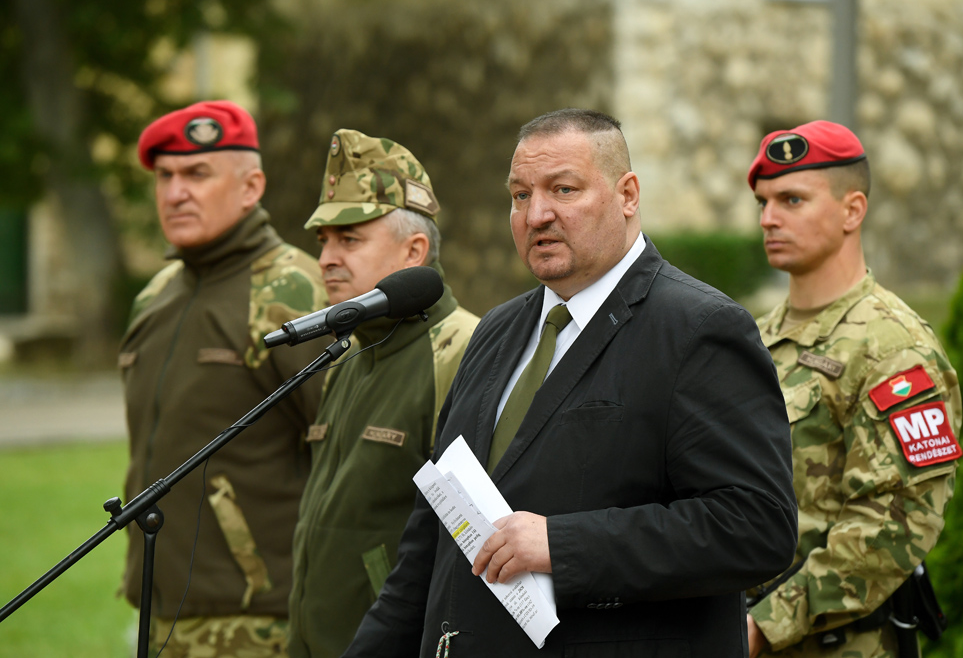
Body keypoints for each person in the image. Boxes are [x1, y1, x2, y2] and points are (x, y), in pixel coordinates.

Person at [342, 108, 798, 657]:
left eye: (563, 189)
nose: (536, 215)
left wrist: (562, 544)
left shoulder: (697, 329)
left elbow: (755, 525)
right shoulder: (497, 331)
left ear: (627, 194)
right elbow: (429, 544)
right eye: (518, 195)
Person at [745, 121, 963, 657]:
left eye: (792, 199)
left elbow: (896, 523)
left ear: (852, 210)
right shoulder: (751, 337)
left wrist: (761, 625)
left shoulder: (893, 347)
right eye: (764, 201)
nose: (769, 218)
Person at [120, 100, 330, 657]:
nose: (174, 193)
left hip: (260, 621)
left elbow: (344, 456)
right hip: (159, 610)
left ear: (250, 186)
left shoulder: (292, 294)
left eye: (197, 174)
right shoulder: (156, 295)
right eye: (164, 177)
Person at [286, 129, 479, 657]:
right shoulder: (347, 357)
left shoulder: (462, 350)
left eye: (349, 240)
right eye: (323, 240)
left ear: (414, 250)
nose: (325, 257)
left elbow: (473, 541)